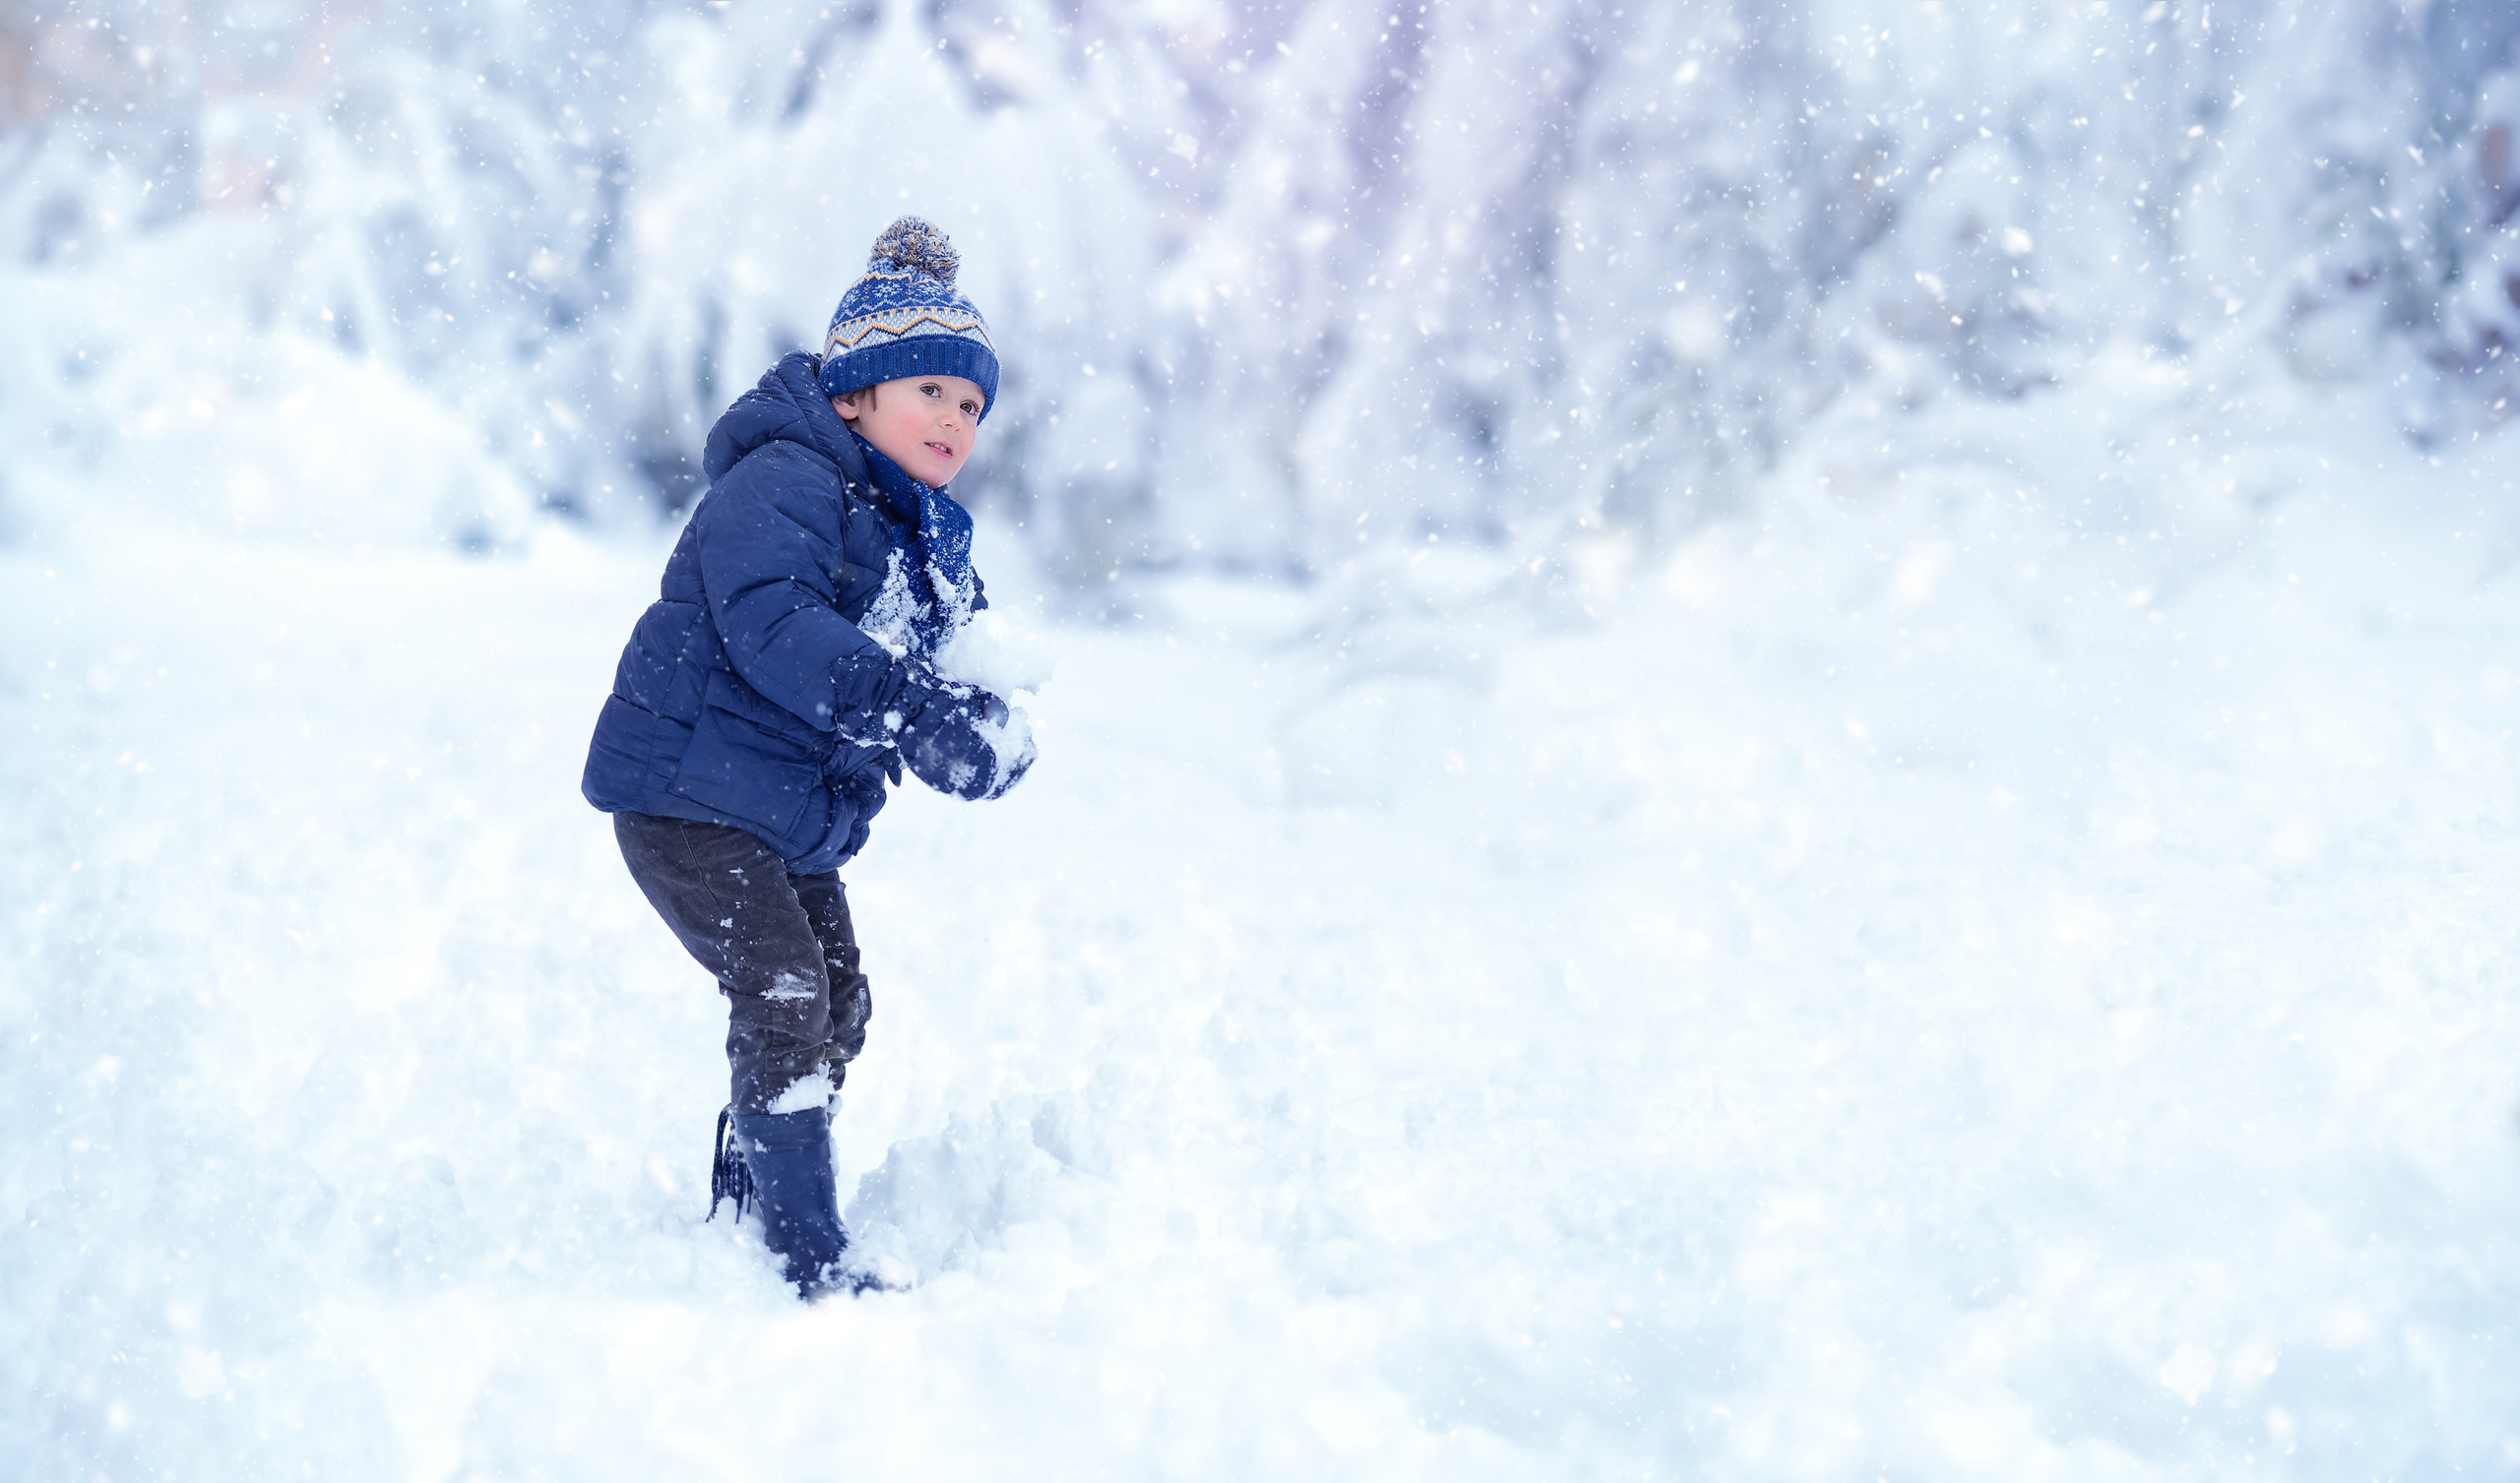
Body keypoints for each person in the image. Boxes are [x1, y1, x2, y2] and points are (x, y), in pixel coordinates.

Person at [580, 217, 1035, 1298]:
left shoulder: (921, 535)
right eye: (930, 390)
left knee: (837, 1003)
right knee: (785, 996)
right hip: (685, 793)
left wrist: (989, 726)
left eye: (971, 404)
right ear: (852, 395)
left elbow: (966, 656)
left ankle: (754, 1188)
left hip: (778, 817)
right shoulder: (784, 478)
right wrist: (907, 706)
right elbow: (772, 623)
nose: (955, 419)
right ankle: (803, 1250)